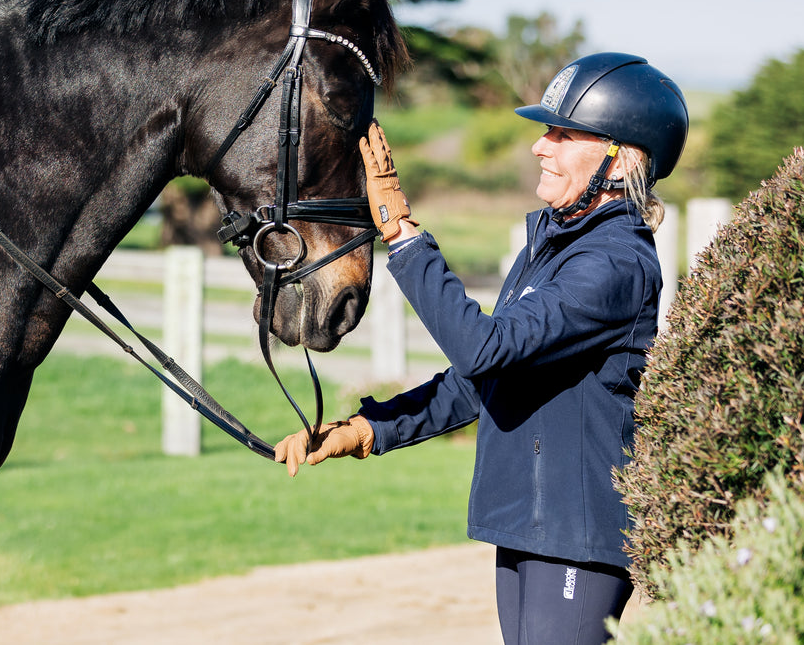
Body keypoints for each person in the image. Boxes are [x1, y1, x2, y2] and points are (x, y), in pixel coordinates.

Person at [274, 52, 689, 645]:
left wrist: (402, 235)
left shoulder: (615, 263)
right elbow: (485, 377)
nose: (539, 147)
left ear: (621, 158)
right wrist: (370, 429)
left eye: (563, 133)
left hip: (576, 532)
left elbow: (483, 349)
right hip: (526, 523)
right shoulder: (551, 247)